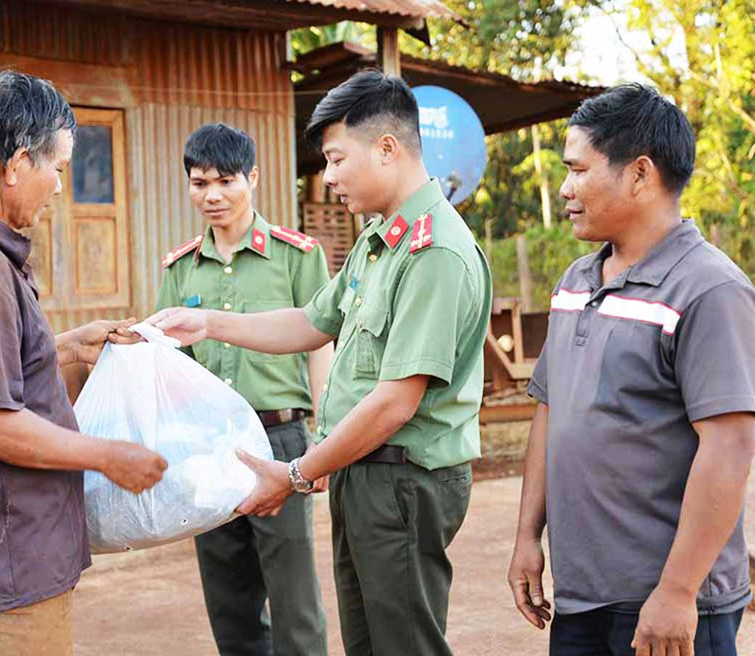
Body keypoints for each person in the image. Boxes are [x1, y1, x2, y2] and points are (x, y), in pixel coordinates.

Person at [149, 71, 492, 655]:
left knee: (402, 644)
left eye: (336, 160)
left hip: (402, 479)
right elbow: (312, 322)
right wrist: (207, 323)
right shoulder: (380, 240)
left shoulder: (433, 251)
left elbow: (395, 402)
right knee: (367, 643)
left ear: (387, 148)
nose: (327, 177)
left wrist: (296, 472)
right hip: (363, 470)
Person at [0, 71, 167, 656]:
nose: (60, 187)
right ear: (16, 164)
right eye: (58, 168)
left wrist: (64, 347)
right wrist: (110, 456)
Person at [507, 83, 755, 656]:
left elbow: (730, 447)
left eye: (578, 170)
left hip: (665, 604)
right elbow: (550, 411)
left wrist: (677, 591)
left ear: (640, 173)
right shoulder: (575, 281)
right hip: (582, 596)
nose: (566, 189)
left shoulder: (709, 289)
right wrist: (526, 536)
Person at [155, 123, 330, 656]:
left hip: (280, 440)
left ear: (252, 177)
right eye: (199, 183)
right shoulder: (180, 267)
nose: (212, 195)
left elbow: (321, 342)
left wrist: (325, 433)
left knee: (293, 593)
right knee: (228, 596)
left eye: (225, 181)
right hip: (208, 445)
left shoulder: (297, 255)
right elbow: (171, 361)